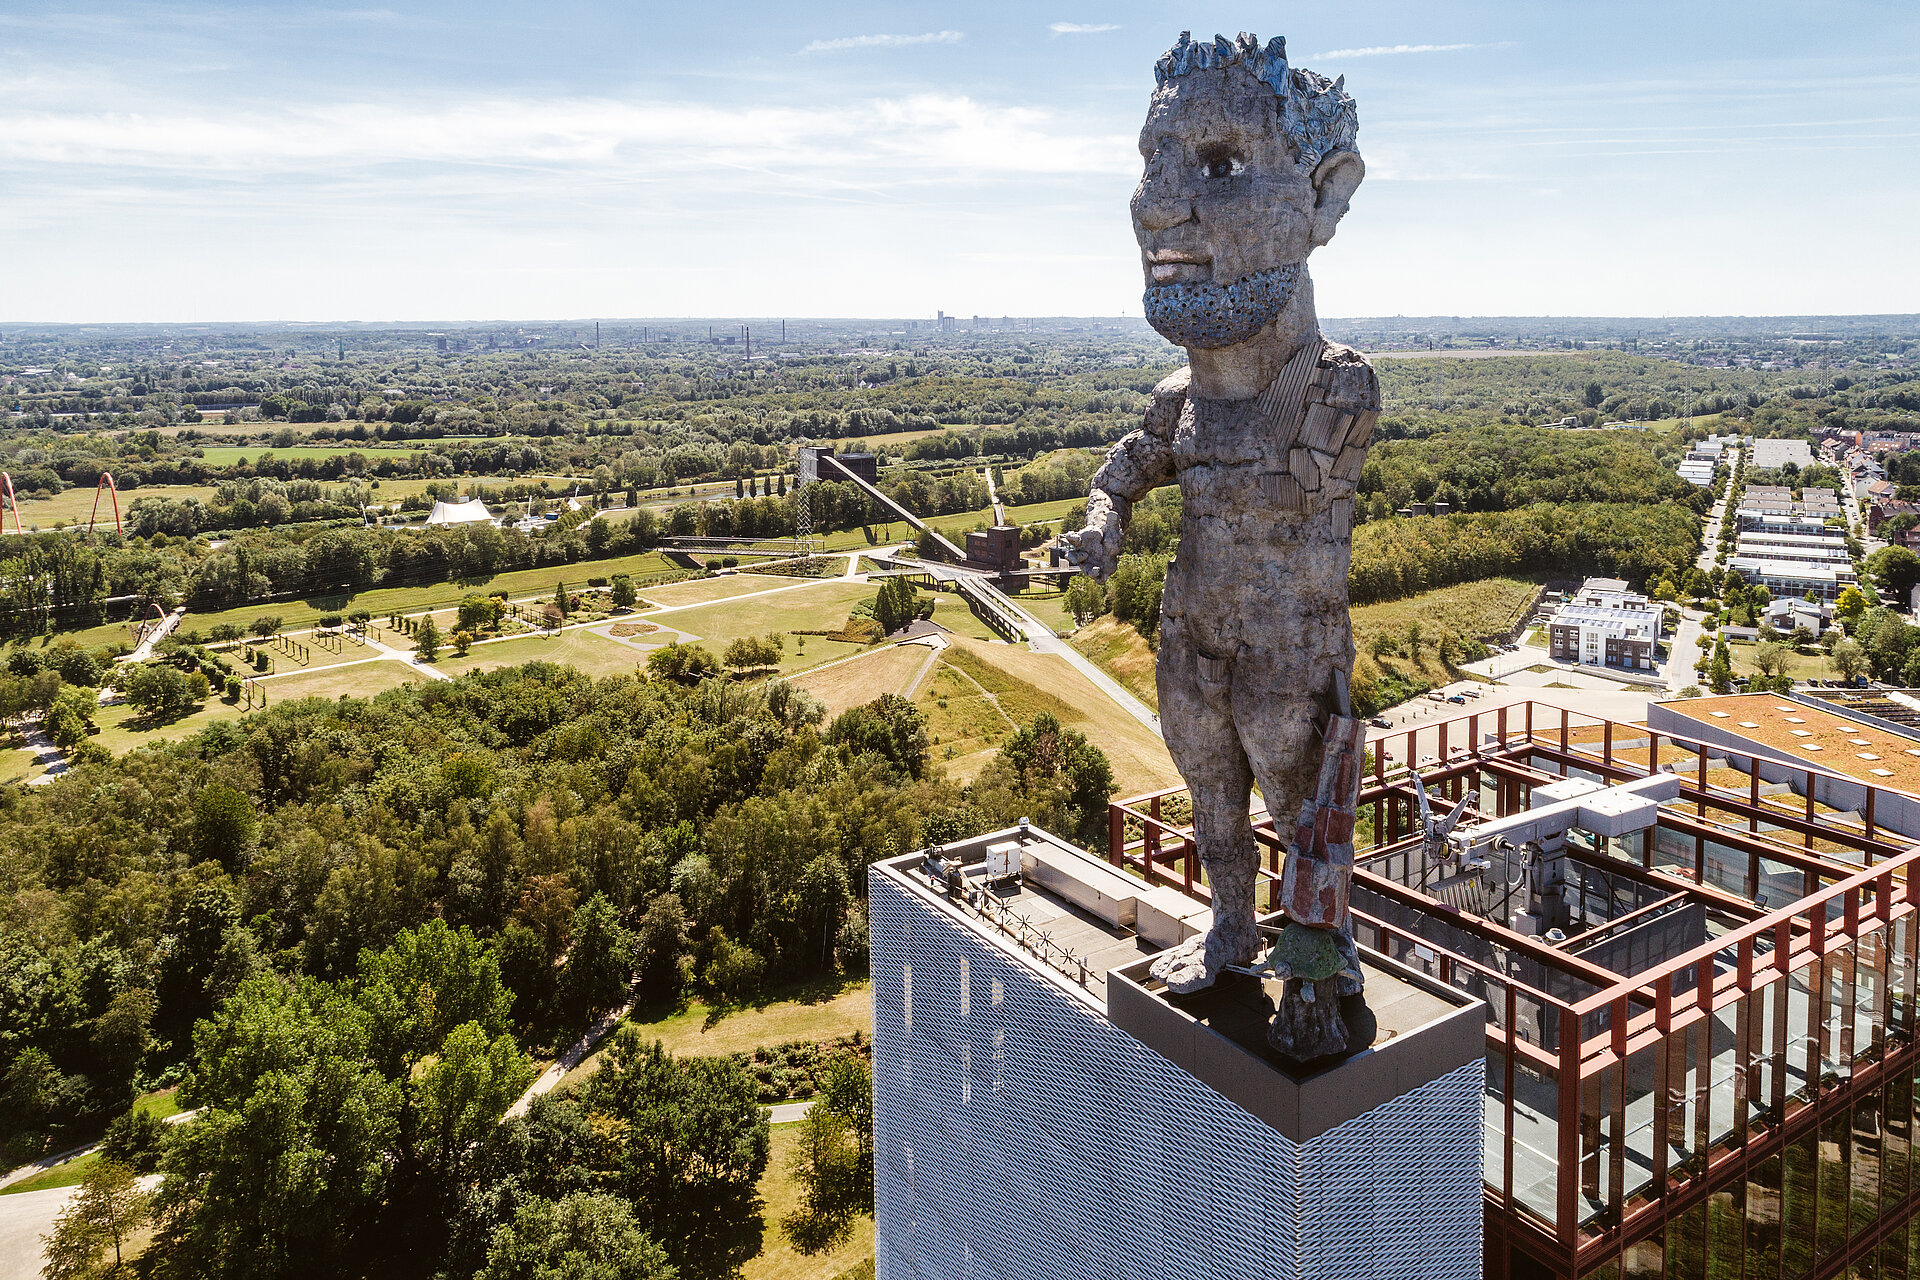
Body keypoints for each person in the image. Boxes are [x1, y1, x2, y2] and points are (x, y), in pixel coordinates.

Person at [1064, 31, 1375, 994]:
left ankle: (1324, 973)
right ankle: (1231, 931)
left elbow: (1292, 516)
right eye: (1154, 164)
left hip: (1289, 656)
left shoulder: (1339, 391)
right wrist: (1101, 522)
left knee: (1306, 812)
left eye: (1221, 163)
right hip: (1193, 639)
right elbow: (1127, 468)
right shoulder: (1179, 399)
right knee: (1212, 807)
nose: (1160, 205)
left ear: (1321, 195)